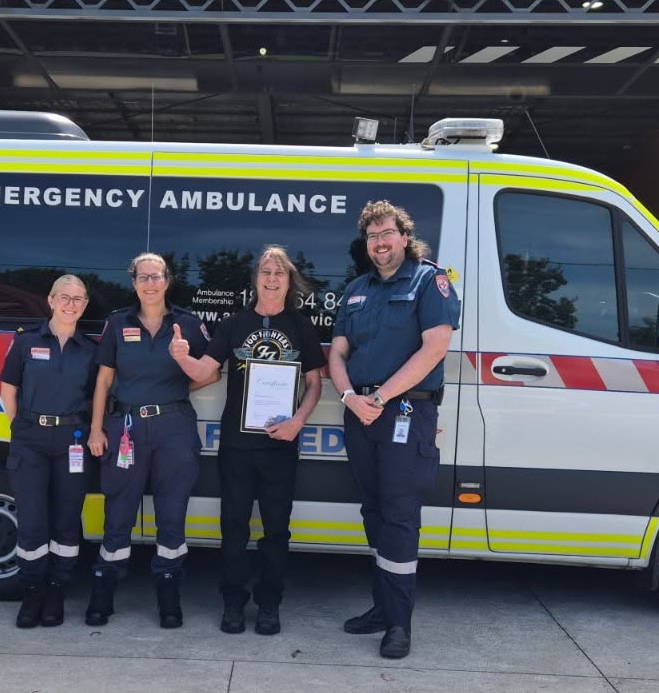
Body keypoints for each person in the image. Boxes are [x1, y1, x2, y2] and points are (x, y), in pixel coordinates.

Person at [328, 200, 460, 659]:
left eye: (386, 234)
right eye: (371, 237)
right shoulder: (357, 289)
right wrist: (349, 397)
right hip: (359, 412)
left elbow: (434, 348)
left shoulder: (430, 280)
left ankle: (399, 624)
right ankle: (383, 607)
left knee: (400, 517)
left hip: (404, 413)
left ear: (404, 236)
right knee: (374, 512)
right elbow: (337, 353)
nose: (379, 243)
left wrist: (379, 399)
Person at [169, 245, 325, 636]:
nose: (272, 279)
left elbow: (314, 383)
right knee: (234, 527)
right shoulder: (233, 324)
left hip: (281, 445)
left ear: (289, 281)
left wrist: (298, 422)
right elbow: (205, 369)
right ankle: (233, 603)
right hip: (237, 446)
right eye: (265, 272)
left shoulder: (301, 325)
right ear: (255, 280)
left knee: (276, 530)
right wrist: (181, 356)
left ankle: (269, 605)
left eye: (279, 273)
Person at [86, 252, 217, 629]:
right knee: (119, 514)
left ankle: (169, 596)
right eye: (143, 277)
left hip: (173, 426)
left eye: (156, 276)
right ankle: (103, 593)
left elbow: (212, 371)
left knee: (172, 516)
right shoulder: (117, 323)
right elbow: (104, 381)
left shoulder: (188, 324)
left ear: (167, 280)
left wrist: (175, 389)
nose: (150, 283)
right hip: (125, 426)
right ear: (134, 283)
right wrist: (97, 429)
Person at [0, 274, 97, 629]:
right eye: (65, 297)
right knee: (32, 521)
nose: (71, 304)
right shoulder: (26, 342)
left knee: (67, 520)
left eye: (79, 299)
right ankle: (32, 594)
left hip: (72, 440)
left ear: (85, 305)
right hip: (31, 440)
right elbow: (8, 385)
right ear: (51, 300)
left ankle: (56, 593)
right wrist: (18, 427)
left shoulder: (90, 349)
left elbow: (97, 396)